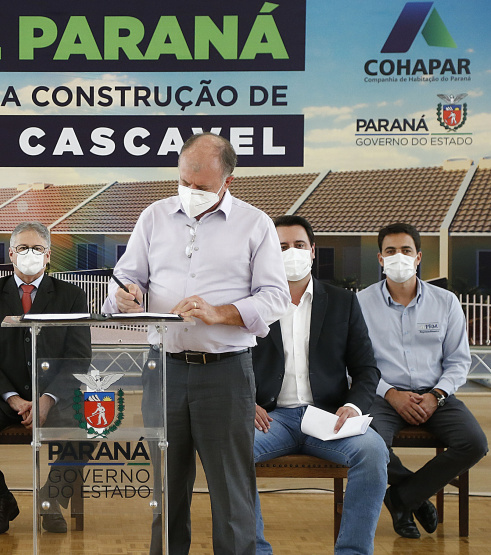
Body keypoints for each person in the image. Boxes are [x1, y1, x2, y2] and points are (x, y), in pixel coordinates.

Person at [103, 133, 291, 555]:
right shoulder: (153, 217)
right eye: (184, 182)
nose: (190, 192)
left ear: (227, 181)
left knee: (231, 493)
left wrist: (220, 312)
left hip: (225, 373)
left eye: (201, 186)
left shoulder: (255, 224)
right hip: (163, 370)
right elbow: (125, 279)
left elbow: (276, 297)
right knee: (166, 488)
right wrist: (123, 296)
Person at [251, 215, 388, 555]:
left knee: (373, 452)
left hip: (329, 418)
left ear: (313, 251)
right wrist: (243, 402)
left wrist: (353, 406)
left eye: (299, 245)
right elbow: (231, 362)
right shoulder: (252, 303)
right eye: (282, 246)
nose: (291, 252)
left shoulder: (343, 302)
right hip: (269, 419)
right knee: (231, 451)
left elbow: (366, 369)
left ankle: (353, 551)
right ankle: (255, 550)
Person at [0, 221, 92, 535]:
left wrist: (47, 399)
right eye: (23, 248)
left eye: (37, 248)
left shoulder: (72, 296)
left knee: (93, 425)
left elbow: (79, 357)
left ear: (48, 255)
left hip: (55, 394)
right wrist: (13, 398)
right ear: (11, 254)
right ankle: (0, 500)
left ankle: (51, 499)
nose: (30, 254)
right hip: (1, 395)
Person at [358, 222, 488, 539]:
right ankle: (412, 494)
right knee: (367, 444)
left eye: (406, 250)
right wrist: (391, 394)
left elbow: (459, 361)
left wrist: (436, 395)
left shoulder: (446, 302)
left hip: (437, 395)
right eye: (390, 251)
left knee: (475, 443)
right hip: (383, 396)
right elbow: (356, 364)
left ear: (418, 257)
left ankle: (402, 498)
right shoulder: (360, 303)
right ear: (380, 259)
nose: (398, 257)